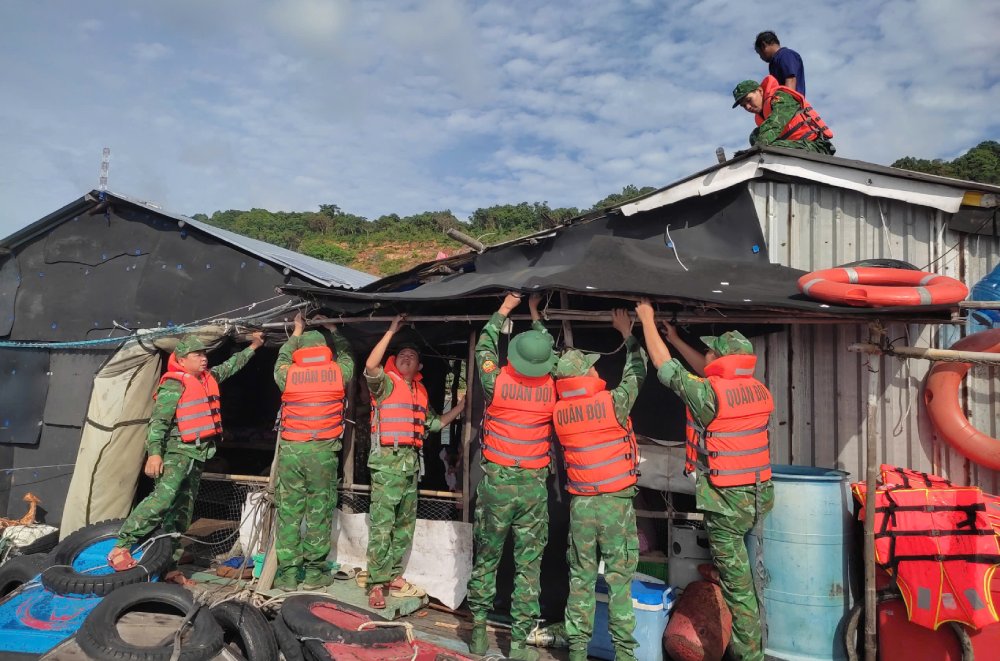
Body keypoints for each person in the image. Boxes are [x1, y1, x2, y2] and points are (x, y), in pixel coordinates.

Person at [636, 299, 774, 661]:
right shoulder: (755, 389)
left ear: (722, 359)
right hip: (756, 497)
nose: (707, 353)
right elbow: (710, 374)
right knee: (747, 576)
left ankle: (750, 656)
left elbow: (665, 368)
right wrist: (678, 338)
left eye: (711, 350)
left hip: (727, 505)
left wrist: (647, 320)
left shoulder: (710, 395)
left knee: (739, 589)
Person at [107, 331, 265, 584]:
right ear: (182, 360)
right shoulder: (174, 384)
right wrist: (154, 454)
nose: (203, 359)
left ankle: (169, 568)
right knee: (162, 500)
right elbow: (158, 422)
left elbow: (231, 365)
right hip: (176, 453)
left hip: (197, 454)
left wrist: (254, 346)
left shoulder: (208, 378)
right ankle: (121, 546)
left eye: (204, 354)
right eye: (197, 355)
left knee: (181, 514)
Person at [552, 310, 647, 661]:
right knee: (619, 581)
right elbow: (638, 371)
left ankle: (577, 653)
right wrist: (629, 334)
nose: (596, 369)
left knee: (581, 580)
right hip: (614, 505)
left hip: (582, 506)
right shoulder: (612, 404)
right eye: (591, 367)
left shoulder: (559, 412)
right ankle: (625, 655)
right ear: (585, 374)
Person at [467, 293, 557, 661]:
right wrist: (537, 316)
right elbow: (549, 348)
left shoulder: (497, 382)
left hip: (498, 485)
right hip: (533, 486)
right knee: (528, 566)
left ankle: (477, 631)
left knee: (487, 558)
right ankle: (519, 644)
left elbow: (485, 345)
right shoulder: (554, 388)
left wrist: (506, 307)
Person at [363, 314, 464, 609]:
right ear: (395, 361)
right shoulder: (384, 384)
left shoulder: (419, 391)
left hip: (410, 465)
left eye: (412, 356)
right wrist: (391, 329)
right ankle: (376, 583)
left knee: (404, 524)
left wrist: (460, 406)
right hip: (386, 463)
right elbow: (370, 365)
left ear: (420, 366)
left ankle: (393, 574)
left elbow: (435, 424)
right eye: (402, 354)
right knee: (383, 524)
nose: (407, 357)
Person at [271, 312, 354, 591]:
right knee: (319, 511)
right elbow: (348, 356)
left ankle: (287, 575)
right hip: (322, 451)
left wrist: (296, 330)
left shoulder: (288, 374)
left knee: (289, 513)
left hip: (292, 450)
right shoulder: (337, 372)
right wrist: (334, 329)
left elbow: (282, 357)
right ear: (325, 350)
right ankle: (315, 573)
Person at [732, 75, 834, 154]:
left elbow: (774, 125)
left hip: (817, 146)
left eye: (749, 100)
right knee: (755, 136)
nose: (748, 107)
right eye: (744, 106)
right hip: (795, 146)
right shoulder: (762, 116)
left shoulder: (781, 98)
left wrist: (752, 151)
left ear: (759, 91)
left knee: (765, 145)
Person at [754, 31, 805, 95]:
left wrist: (786, 103)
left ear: (763, 45)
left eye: (760, 53)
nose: (761, 57)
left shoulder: (785, 54)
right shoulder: (773, 63)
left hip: (791, 102)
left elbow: (791, 79)